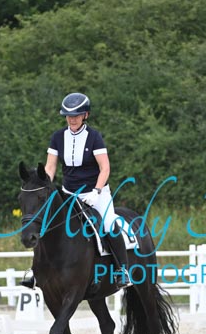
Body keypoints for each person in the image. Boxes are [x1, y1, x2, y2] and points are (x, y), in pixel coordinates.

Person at [21, 92, 132, 289]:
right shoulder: (58, 137)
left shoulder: (94, 137)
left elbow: (105, 168)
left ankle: (121, 270)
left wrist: (96, 191)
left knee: (108, 223)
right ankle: (36, 270)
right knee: (45, 223)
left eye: (76, 115)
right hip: (69, 193)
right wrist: (44, 184)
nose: (72, 119)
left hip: (95, 193)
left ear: (85, 115)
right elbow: (50, 166)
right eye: (69, 116)